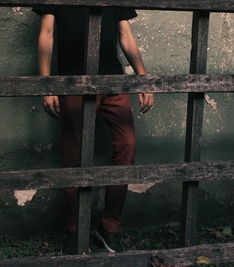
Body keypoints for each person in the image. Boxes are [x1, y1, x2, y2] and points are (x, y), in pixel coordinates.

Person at [33, 5, 154, 254]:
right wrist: (46, 84)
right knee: (73, 158)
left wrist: (144, 79)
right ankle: (74, 232)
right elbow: (47, 33)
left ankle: (109, 227)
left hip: (112, 80)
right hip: (74, 81)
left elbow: (125, 35)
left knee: (127, 147)